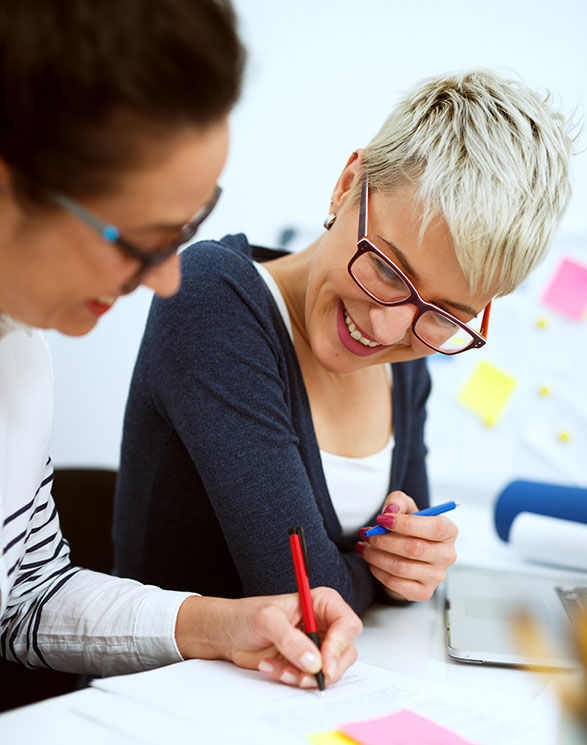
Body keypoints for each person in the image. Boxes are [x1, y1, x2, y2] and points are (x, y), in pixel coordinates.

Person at [114, 70, 573, 614]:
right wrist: (371, 570)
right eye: (385, 268)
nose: (385, 330)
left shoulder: (408, 359)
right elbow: (304, 598)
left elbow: (400, 569)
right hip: (167, 692)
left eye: (445, 314)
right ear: (348, 183)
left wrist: (414, 563)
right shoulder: (214, 296)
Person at [0, 0, 361, 691]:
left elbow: (25, 598)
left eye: (191, 225)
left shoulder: (18, 348)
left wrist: (220, 625)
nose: (167, 278)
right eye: (142, 239)